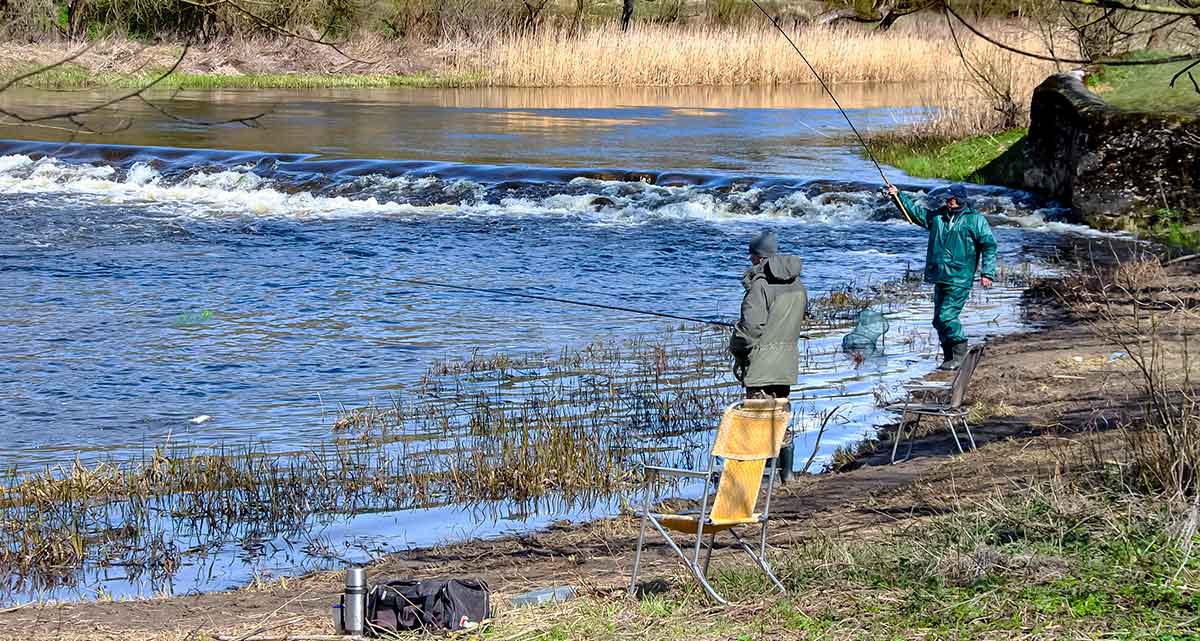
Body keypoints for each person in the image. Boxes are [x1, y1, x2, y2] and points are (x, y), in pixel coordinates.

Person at [886, 183, 998, 370]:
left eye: (952, 198)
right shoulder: (938, 217)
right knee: (938, 320)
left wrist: (987, 273)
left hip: (960, 277)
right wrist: (897, 196)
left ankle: (960, 355)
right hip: (940, 276)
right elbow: (915, 213)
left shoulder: (976, 220)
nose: (948, 201)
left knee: (947, 317)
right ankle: (949, 358)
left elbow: (989, 246)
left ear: (961, 199)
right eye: (947, 198)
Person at [729, 231, 808, 482]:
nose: (751, 260)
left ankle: (760, 478)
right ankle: (786, 474)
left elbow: (750, 330)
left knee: (758, 419)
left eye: (751, 256)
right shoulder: (797, 283)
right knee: (779, 417)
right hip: (786, 364)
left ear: (758, 257)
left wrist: (736, 345)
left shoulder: (759, 286)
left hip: (762, 366)